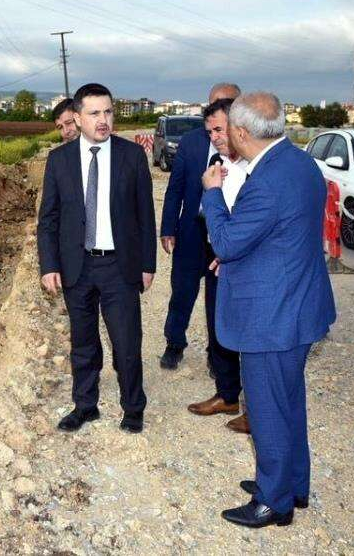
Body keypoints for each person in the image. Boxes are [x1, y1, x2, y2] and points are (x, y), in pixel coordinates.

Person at [200, 92, 336, 528]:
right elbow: (279, 235)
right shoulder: (299, 163)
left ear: (241, 133)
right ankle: (292, 484)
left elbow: (225, 241)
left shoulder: (267, 181)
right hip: (298, 305)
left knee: (267, 410)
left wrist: (212, 194)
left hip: (272, 316)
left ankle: (273, 502)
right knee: (288, 401)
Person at [37, 82, 157, 434]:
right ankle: (85, 406)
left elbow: (145, 215)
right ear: (77, 117)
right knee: (83, 343)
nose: (103, 120)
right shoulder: (59, 160)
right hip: (76, 266)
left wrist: (147, 264)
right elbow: (49, 219)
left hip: (119, 266)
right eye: (94, 113)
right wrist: (49, 265)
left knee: (126, 343)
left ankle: (133, 407)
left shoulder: (131, 156)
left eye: (108, 112)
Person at [159, 83, 240, 371]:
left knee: (219, 300)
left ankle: (217, 354)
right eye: (213, 104)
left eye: (226, 104)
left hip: (227, 237)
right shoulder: (191, 141)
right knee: (182, 292)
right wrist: (168, 227)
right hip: (192, 231)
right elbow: (175, 187)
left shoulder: (247, 147)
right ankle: (174, 343)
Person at [186, 97, 251, 432]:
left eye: (219, 129)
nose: (215, 137)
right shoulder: (216, 163)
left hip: (247, 263)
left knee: (251, 336)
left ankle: (257, 409)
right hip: (217, 258)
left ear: (239, 126)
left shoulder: (257, 169)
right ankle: (227, 394)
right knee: (218, 328)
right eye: (210, 131)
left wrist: (233, 254)